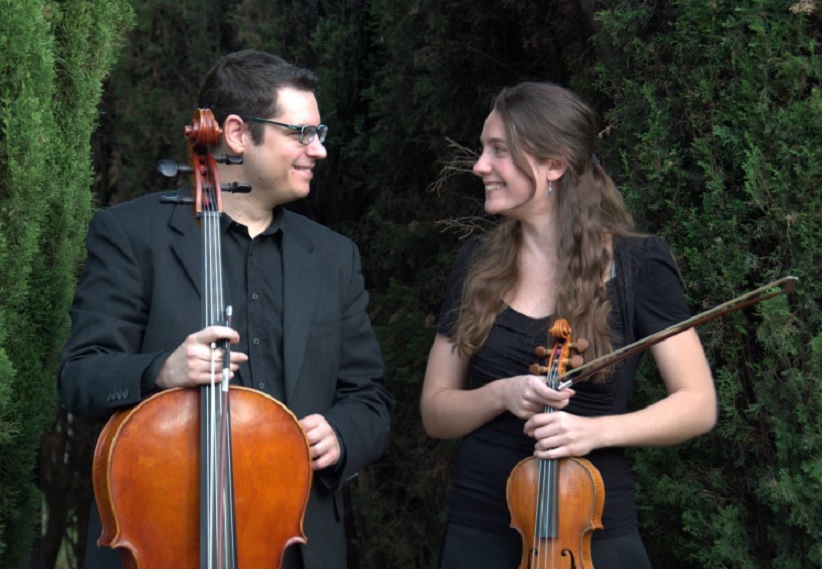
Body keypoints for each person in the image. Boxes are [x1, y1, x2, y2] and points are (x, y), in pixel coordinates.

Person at [58, 49, 394, 569]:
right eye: (302, 134)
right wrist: (161, 370)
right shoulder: (131, 234)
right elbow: (79, 375)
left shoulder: (333, 257)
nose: (319, 150)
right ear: (237, 133)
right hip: (165, 538)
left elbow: (369, 397)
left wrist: (341, 435)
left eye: (319, 133)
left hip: (294, 542)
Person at [420, 81, 717, 569]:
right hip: (479, 526)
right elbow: (435, 412)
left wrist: (594, 432)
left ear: (554, 165)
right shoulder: (476, 263)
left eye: (499, 151)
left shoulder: (638, 264)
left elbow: (698, 404)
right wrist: (503, 394)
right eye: (482, 149)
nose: (479, 166)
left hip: (589, 530)